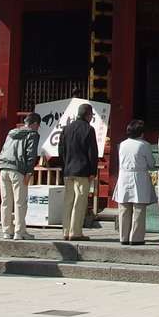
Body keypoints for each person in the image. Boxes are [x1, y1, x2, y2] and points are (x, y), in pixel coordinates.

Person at [59, 102, 99, 241]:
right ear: (88, 115)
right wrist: (93, 171)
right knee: (79, 201)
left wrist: (65, 166)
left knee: (68, 201)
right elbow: (92, 153)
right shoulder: (89, 129)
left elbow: (61, 150)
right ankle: (75, 232)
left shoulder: (66, 129)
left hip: (68, 170)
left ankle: (65, 231)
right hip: (82, 170)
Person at [0, 113, 41, 240]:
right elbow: (31, 154)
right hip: (18, 170)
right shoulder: (32, 134)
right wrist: (29, 172)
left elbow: (4, 149)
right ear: (34, 124)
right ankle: (19, 231)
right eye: (38, 125)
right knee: (20, 202)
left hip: (4, 168)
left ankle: (6, 231)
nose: (38, 128)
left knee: (5, 202)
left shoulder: (11, 132)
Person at [113, 119, 156, 245]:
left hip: (124, 175)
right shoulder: (144, 145)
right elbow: (151, 163)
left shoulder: (122, 144)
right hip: (139, 176)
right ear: (141, 133)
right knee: (138, 208)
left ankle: (123, 237)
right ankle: (136, 237)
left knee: (124, 208)